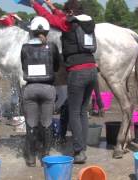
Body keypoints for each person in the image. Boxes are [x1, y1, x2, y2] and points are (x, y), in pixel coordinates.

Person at [30, 0, 98, 163]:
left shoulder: (68, 24)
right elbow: (60, 16)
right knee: (82, 111)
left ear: (70, 13)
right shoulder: (86, 22)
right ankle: (82, 147)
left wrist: (34, 4)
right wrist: (52, 6)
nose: (64, 14)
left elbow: (48, 18)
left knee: (74, 112)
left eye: (66, 12)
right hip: (92, 71)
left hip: (77, 72)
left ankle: (79, 151)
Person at [21, 16, 60, 167]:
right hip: (47, 88)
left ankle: (31, 157)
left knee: (31, 123)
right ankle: (45, 156)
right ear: (47, 32)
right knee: (47, 122)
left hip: (30, 88)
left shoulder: (24, 48)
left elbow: (23, 66)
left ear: (31, 32)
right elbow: (56, 67)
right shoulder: (52, 47)